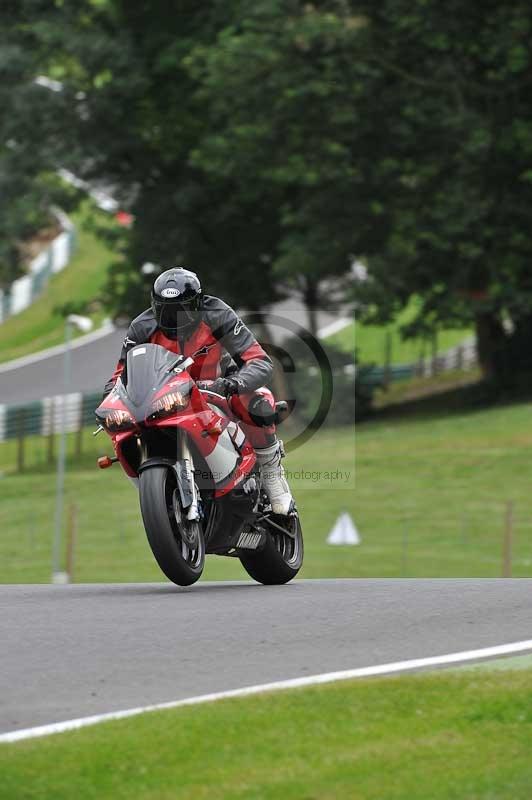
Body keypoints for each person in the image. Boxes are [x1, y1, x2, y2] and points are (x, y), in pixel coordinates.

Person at [103, 266, 294, 515]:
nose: (173, 318)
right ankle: (162, 497)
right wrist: (110, 401)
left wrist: (232, 384)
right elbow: (120, 374)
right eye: (165, 310)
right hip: (164, 399)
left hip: (214, 387)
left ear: (197, 304)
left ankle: (272, 475)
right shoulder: (142, 327)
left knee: (256, 403)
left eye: (181, 310)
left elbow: (260, 361)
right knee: (125, 427)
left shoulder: (217, 314)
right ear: (154, 306)